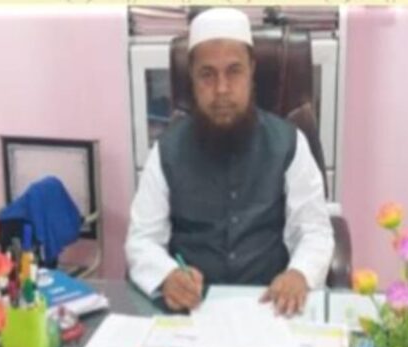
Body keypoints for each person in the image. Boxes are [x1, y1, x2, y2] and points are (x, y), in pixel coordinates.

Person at [125, 7, 333, 316]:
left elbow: (314, 230)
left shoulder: (289, 143)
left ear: (251, 71)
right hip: (191, 311)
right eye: (207, 74)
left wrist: (299, 273)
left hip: (272, 307)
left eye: (234, 71)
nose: (221, 89)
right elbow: (142, 239)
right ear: (192, 78)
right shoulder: (167, 150)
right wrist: (168, 276)